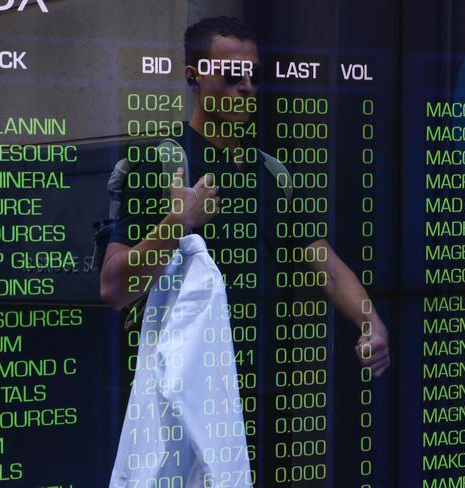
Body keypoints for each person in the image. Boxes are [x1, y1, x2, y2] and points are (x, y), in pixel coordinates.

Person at [100, 15, 390, 376]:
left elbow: (326, 267)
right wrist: (178, 222)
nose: (247, 87)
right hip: (183, 388)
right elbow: (113, 288)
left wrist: (371, 324)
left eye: (255, 76)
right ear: (194, 77)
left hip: (260, 386)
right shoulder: (163, 162)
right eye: (233, 75)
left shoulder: (271, 172)